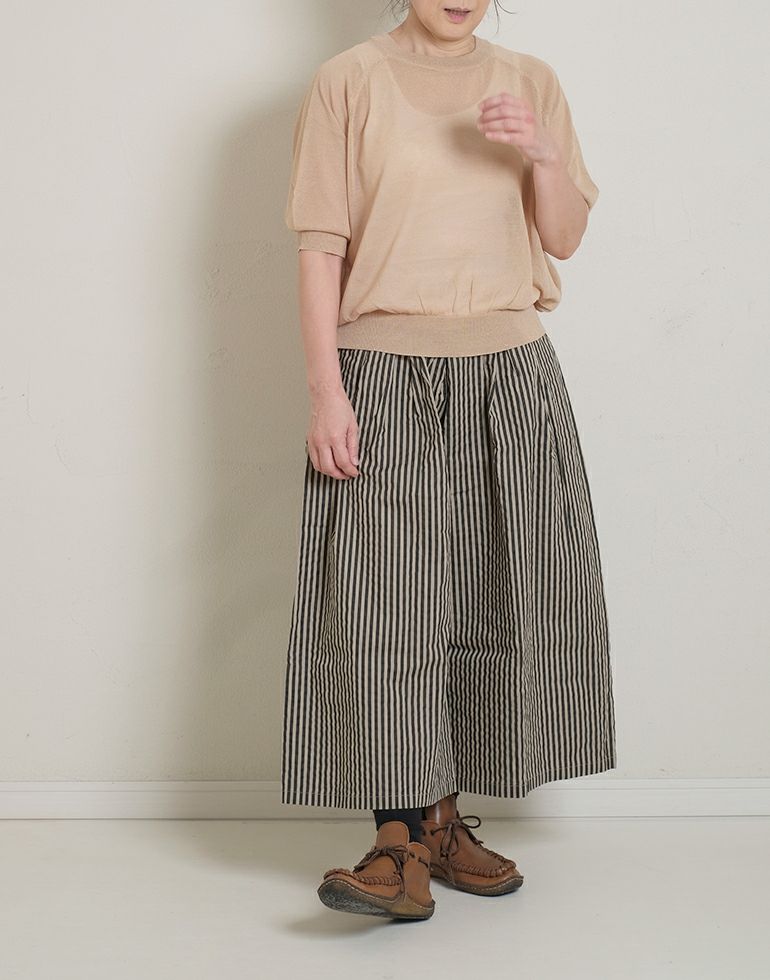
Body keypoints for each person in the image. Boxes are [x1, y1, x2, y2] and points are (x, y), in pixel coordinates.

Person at [281, 0, 617, 920]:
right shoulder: (348, 81)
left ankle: (440, 825)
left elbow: (564, 237)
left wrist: (543, 153)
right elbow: (320, 249)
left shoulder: (531, 81)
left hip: (510, 371)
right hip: (384, 368)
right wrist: (326, 392)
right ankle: (393, 840)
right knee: (384, 602)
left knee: (490, 593)